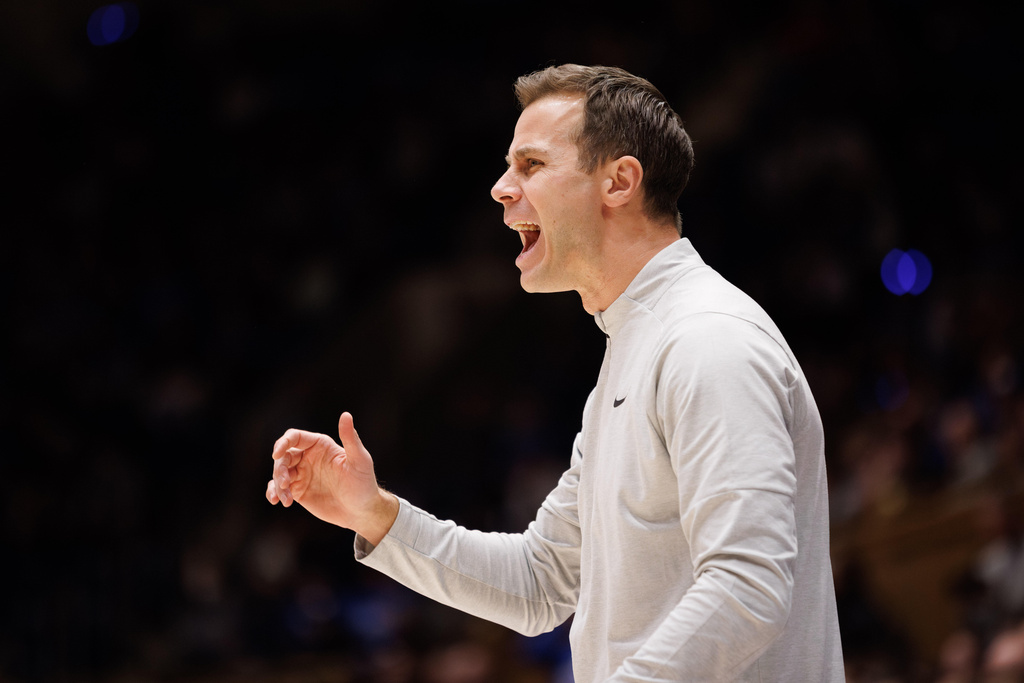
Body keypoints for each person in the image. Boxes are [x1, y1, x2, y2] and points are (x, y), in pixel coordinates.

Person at [266, 64, 844, 681]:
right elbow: (540, 583)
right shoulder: (636, 352)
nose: (500, 187)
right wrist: (375, 514)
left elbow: (749, 586)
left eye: (531, 165)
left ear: (619, 182)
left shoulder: (707, 340)